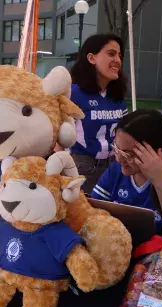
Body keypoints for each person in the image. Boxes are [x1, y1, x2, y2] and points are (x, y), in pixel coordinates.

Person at [91, 109, 162, 235]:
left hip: (160, 252)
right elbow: (91, 210)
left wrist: (161, 181)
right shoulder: (115, 171)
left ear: (156, 152)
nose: (120, 159)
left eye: (130, 154)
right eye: (117, 148)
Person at [65, 33, 128, 194]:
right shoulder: (74, 93)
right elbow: (57, 136)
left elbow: (125, 132)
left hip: (115, 166)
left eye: (119, 55)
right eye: (111, 54)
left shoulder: (117, 96)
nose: (118, 61)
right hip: (82, 167)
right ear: (91, 58)